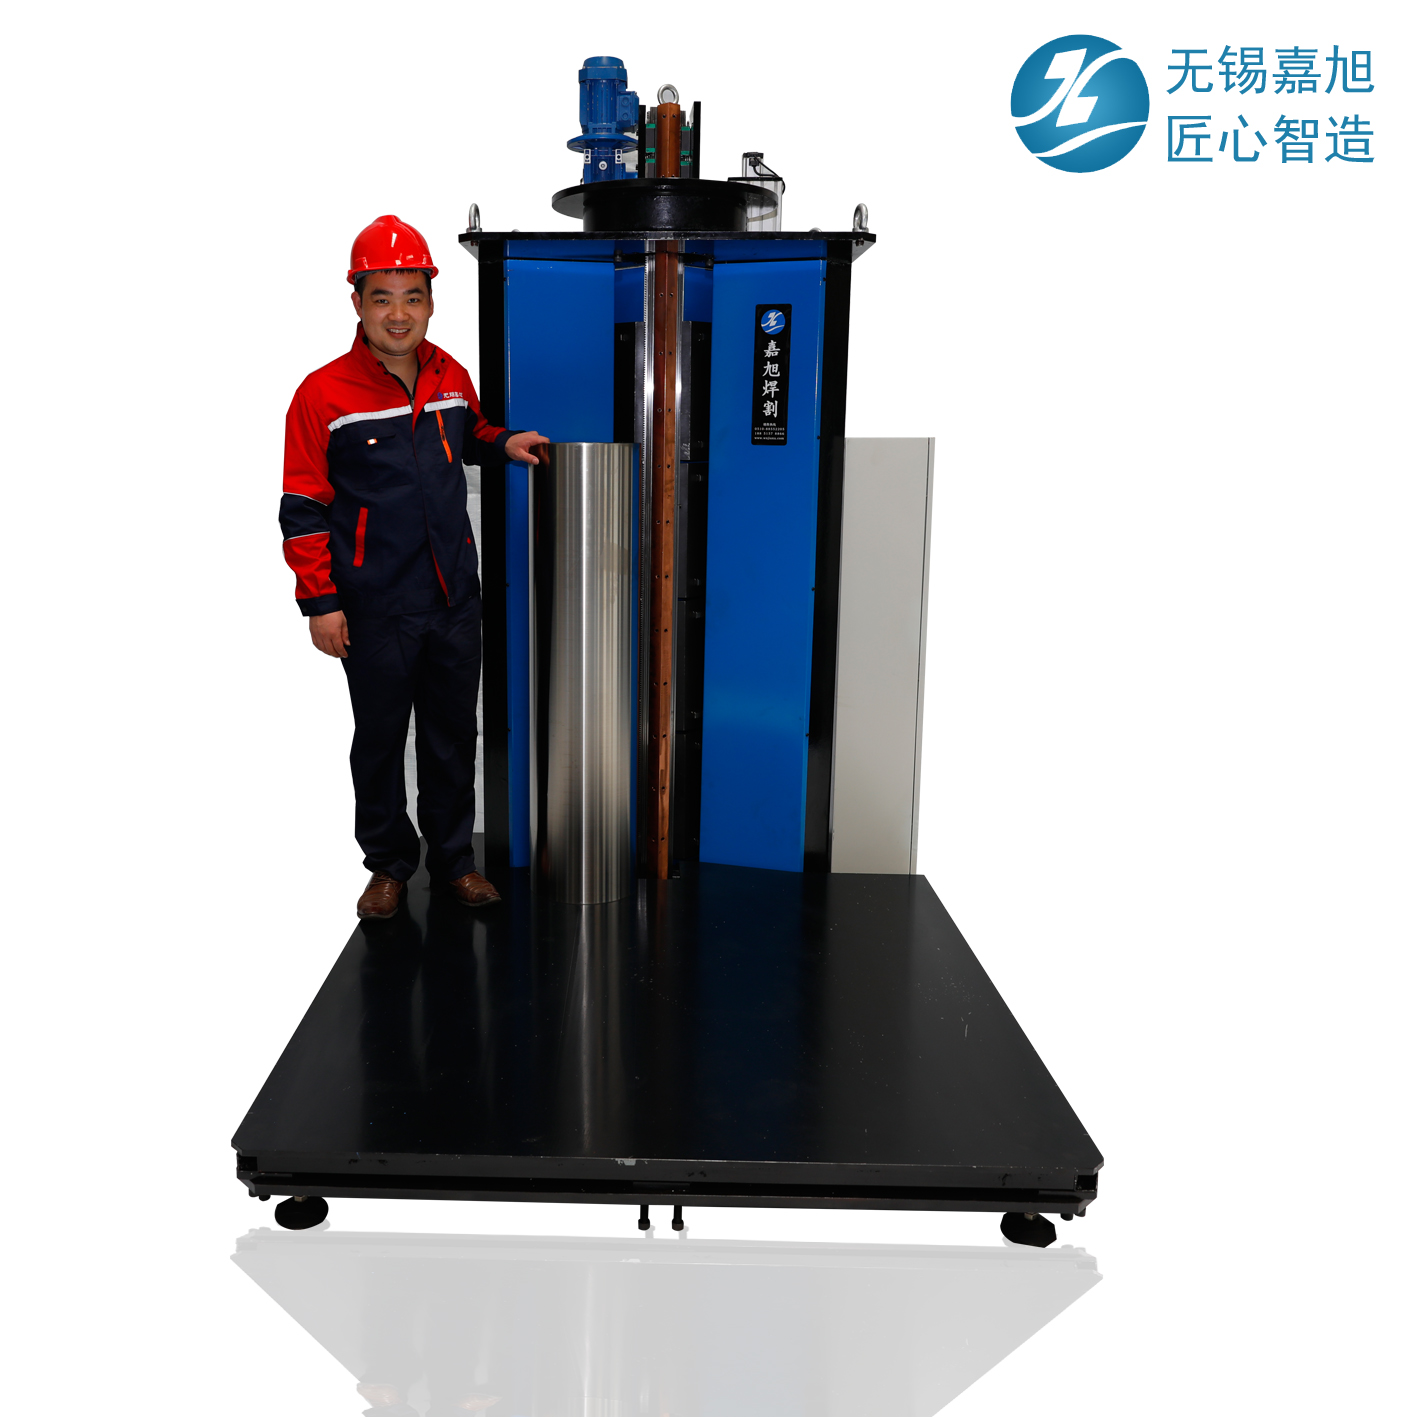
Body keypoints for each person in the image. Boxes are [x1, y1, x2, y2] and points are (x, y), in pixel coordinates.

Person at [280, 214, 546, 919]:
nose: (398, 314)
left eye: (412, 296)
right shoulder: (322, 393)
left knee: (452, 737)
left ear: (430, 300)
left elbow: (470, 433)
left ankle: (454, 862)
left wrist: (503, 442)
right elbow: (301, 507)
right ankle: (389, 866)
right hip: (373, 605)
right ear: (357, 302)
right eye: (381, 298)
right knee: (378, 742)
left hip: (453, 596)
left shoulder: (450, 373)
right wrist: (320, 602)